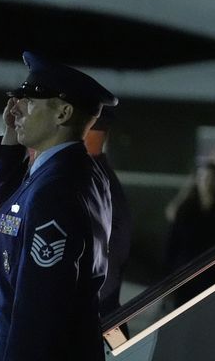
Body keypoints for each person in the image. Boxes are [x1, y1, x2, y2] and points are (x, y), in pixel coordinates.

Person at [0, 51, 117, 361]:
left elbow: (38, 312)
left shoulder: (57, 187)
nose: (16, 108)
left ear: (63, 113)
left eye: (30, 100)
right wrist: (12, 135)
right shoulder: (64, 171)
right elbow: (12, 209)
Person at [163, 162, 215, 309]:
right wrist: (169, 279)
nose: (206, 182)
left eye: (211, 178)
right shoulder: (186, 209)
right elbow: (173, 244)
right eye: (202, 177)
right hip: (186, 278)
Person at [84, 107, 132, 318]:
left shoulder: (91, 179)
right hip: (104, 296)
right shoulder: (102, 176)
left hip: (98, 300)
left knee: (116, 347)